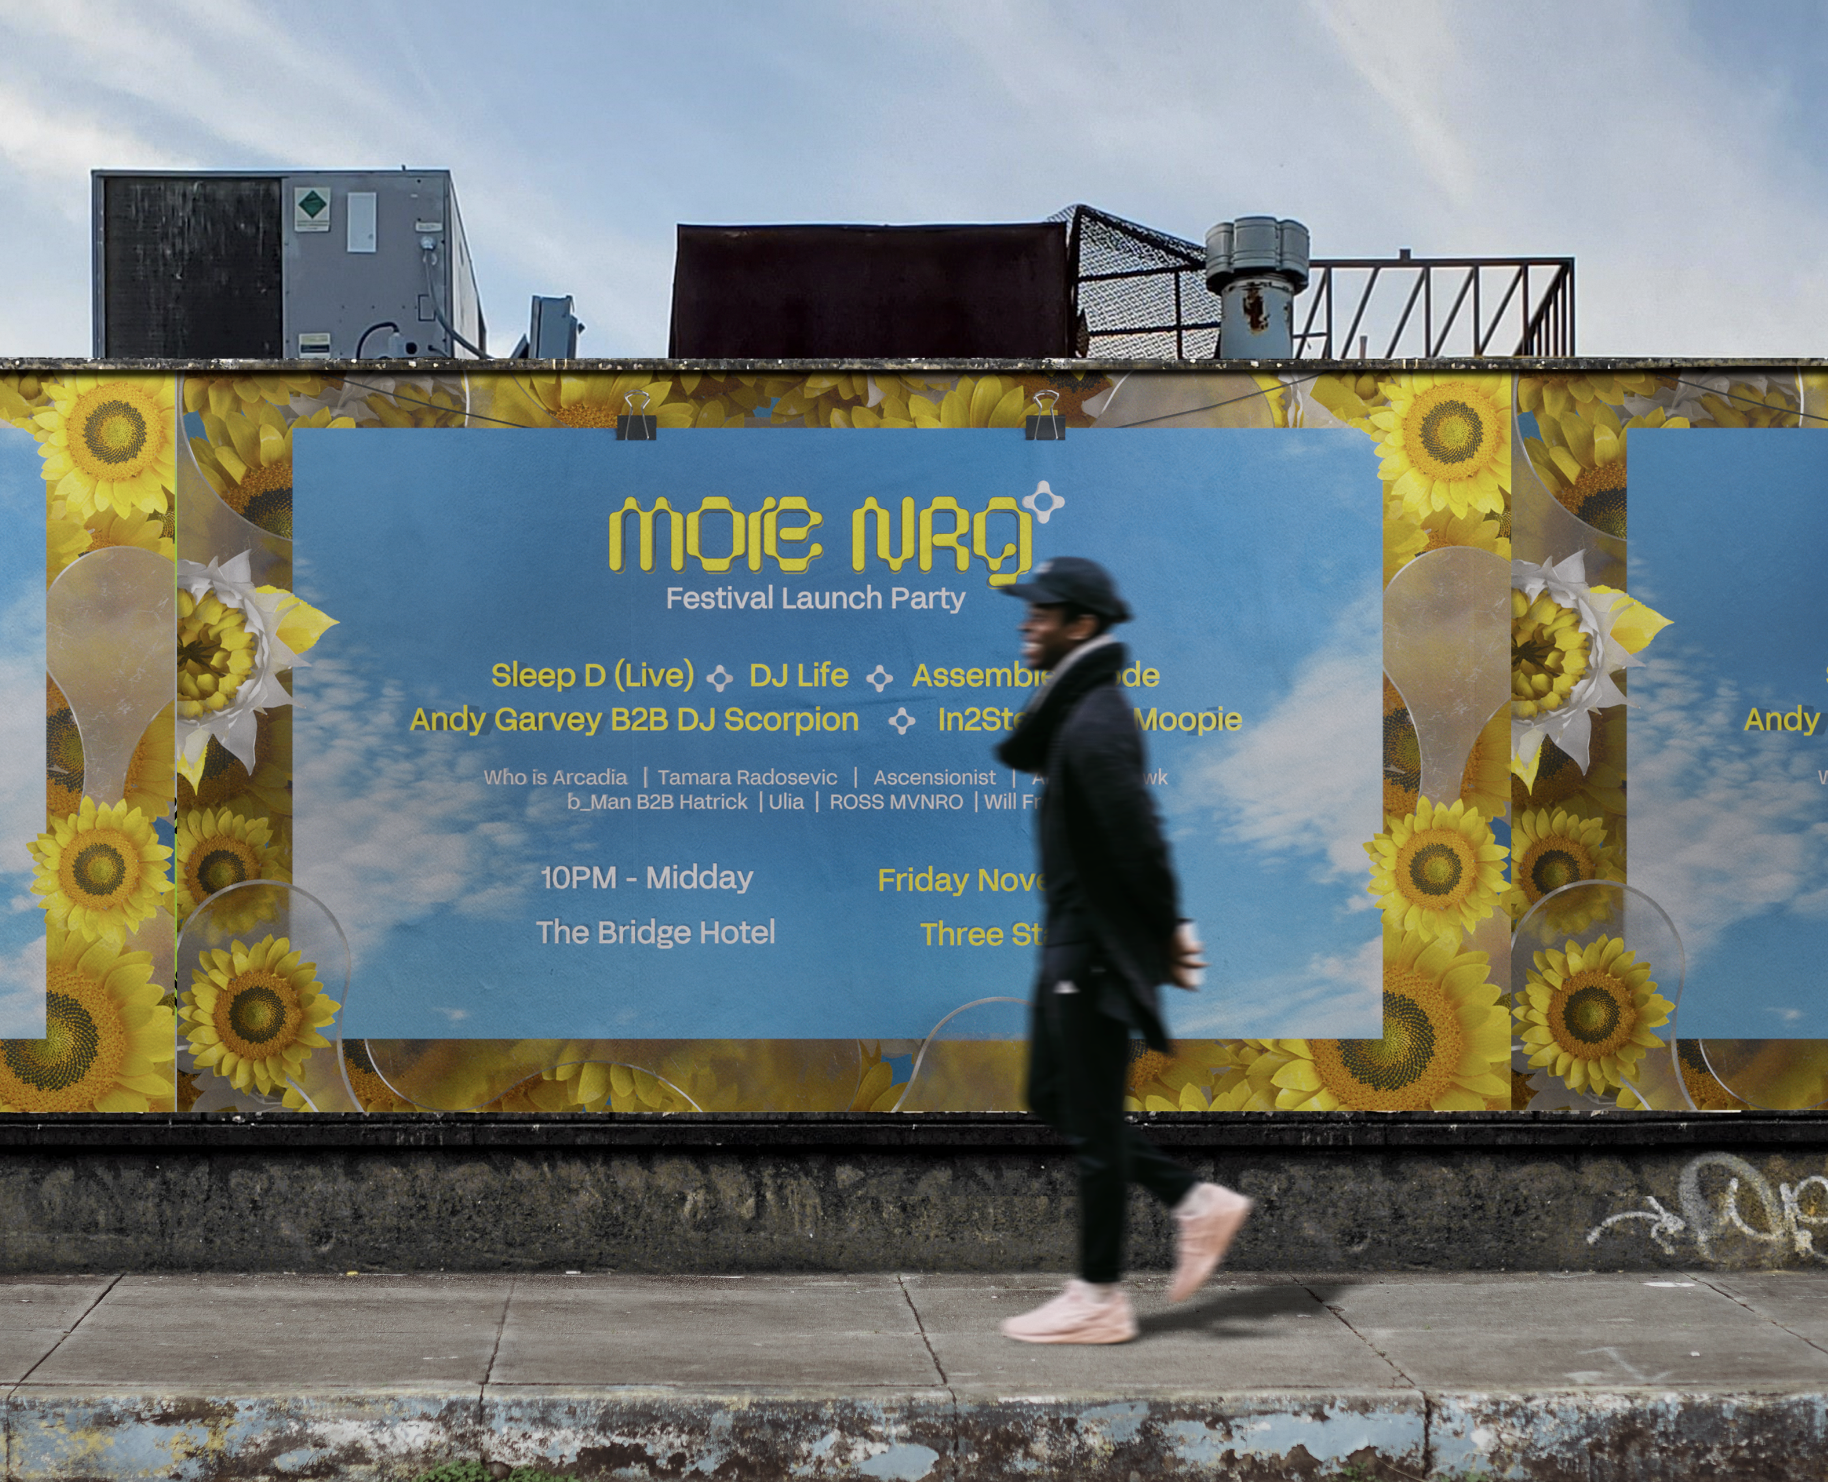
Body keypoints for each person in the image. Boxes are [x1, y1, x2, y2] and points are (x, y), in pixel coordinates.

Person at [992, 557, 1251, 1344]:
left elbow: (1140, 838)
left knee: (1093, 1112)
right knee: (1053, 1095)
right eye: (1029, 609)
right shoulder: (1078, 716)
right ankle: (1191, 1199)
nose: (1027, 621)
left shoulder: (1097, 720)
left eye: (1043, 610)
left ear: (1084, 626)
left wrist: (1166, 929)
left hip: (1093, 946)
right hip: (1073, 939)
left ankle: (1100, 1295)